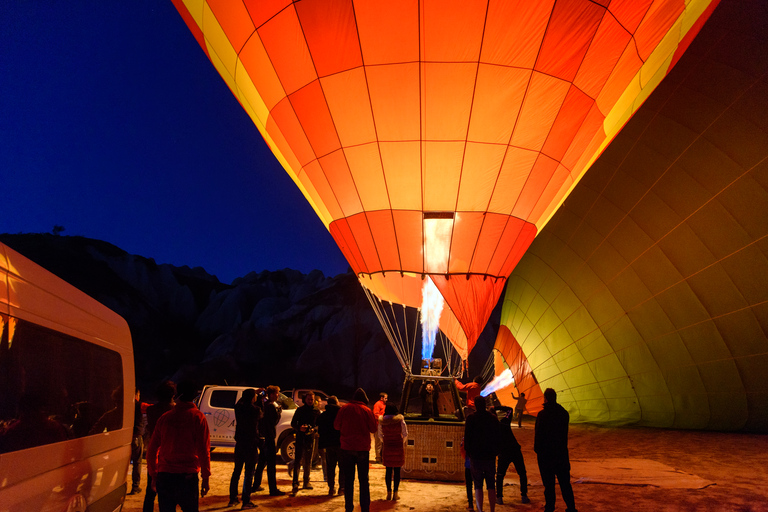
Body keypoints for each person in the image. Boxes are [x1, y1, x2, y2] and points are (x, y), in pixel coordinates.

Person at [146, 380, 211, 512]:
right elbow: (204, 450)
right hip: (187, 476)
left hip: (165, 476)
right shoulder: (198, 418)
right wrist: (205, 477)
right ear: (194, 396)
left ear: (178, 395)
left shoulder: (165, 418)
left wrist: (153, 475)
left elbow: (152, 450)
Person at [334, 388, 377, 512]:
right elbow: (373, 428)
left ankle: (349, 507)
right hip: (362, 449)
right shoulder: (367, 410)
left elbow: (336, 426)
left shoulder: (344, 409)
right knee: (364, 480)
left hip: (347, 448)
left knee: (348, 480)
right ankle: (365, 508)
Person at [534, 388, 577, 512]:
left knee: (549, 485)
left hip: (546, 456)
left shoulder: (542, 415)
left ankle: (549, 508)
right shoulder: (564, 413)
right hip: (561, 455)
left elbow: (538, 436)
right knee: (565, 484)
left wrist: (539, 451)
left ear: (545, 399)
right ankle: (571, 508)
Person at [143, 380, 176, 512]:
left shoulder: (151, 410)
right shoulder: (174, 410)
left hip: (154, 451)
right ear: (173, 395)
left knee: (150, 491)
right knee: (168, 493)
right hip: (170, 453)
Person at [464, 395, 500, 512]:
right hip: (489, 456)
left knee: (478, 485)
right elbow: (497, 436)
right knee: (491, 485)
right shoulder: (493, 418)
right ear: (485, 404)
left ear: (475, 405)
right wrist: (495, 451)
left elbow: (467, 437)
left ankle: (480, 510)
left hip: (476, 456)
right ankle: (492, 510)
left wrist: (468, 452)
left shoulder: (471, 418)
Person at [229, 388, 263, 509]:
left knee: (236, 471)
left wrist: (251, 394)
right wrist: (259, 398)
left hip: (240, 443)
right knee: (249, 473)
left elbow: (238, 403)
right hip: (251, 444)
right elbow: (261, 414)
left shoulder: (239, 408)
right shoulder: (256, 410)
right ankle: (246, 500)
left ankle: (232, 498)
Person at [253, 386, 286, 496]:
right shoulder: (271, 406)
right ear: (271, 394)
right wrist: (279, 411)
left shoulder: (264, 405)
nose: (278, 395)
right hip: (269, 437)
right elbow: (274, 421)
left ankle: (256, 485)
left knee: (262, 462)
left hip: (263, 437)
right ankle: (273, 489)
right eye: (277, 393)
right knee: (271, 465)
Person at [495, 407, 529, 505]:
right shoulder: (504, 423)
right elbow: (510, 409)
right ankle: (524, 496)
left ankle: (499, 497)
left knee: (500, 475)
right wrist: (498, 407)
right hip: (514, 450)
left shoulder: (493, 429)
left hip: (503, 452)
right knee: (522, 473)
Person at [290, 391, 320, 495]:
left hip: (310, 438)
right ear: (305, 400)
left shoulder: (316, 411)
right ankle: (295, 482)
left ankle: (306, 481)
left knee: (308, 461)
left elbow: (319, 425)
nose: (310, 401)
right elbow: (293, 423)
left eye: (312, 399)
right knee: (298, 460)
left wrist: (313, 430)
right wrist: (299, 428)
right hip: (300, 438)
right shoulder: (300, 410)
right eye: (308, 399)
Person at [378, 403, 407, 501]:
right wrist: (401, 442)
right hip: (398, 446)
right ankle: (396, 493)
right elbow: (405, 433)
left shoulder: (382, 421)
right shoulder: (400, 420)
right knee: (397, 471)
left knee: (388, 470)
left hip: (387, 446)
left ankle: (388, 493)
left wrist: (386, 441)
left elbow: (380, 435)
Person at [317, 395, 345, 496]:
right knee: (342, 466)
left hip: (329, 444)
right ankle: (342, 487)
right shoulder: (341, 414)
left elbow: (320, 430)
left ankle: (331, 488)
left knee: (330, 467)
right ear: (337, 403)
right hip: (340, 443)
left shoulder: (323, 415)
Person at [129, 387, 146, 495]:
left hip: (125, 438)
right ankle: (135, 487)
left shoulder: (122, 406)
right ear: (136, 394)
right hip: (136, 438)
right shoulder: (140, 405)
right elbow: (153, 408)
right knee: (137, 463)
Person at [372, 392, 388, 463]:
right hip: (378, 425)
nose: (386, 399)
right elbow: (375, 414)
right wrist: (382, 418)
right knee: (378, 442)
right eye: (385, 398)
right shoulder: (378, 404)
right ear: (381, 398)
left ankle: (381, 456)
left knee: (382, 442)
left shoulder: (383, 405)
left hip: (382, 425)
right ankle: (378, 457)